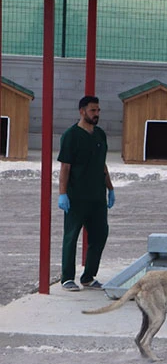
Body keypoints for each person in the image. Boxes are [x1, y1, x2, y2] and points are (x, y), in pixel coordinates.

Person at [57, 95, 115, 291]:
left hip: (97, 197)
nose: (96, 114)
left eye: (98, 110)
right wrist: (62, 193)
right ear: (82, 111)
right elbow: (65, 166)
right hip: (76, 197)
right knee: (71, 236)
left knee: (100, 235)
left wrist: (110, 188)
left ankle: (89, 276)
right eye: (93, 110)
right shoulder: (71, 136)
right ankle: (67, 278)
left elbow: (102, 164)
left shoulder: (99, 135)